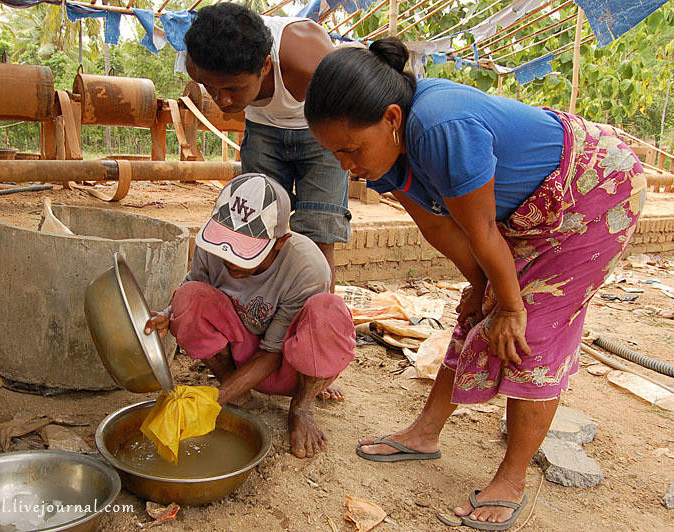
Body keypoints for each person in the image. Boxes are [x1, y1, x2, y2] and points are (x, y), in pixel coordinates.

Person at [303, 37, 645, 530]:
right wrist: (483, 291)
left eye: (350, 149)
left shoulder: (443, 127)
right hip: (527, 210)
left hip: (592, 191)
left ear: (392, 120)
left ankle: (513, 478)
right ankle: (425, 433)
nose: (345, 166)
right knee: (479, 312)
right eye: (334, 153)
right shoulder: (385, 154)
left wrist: (509, 304)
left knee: (535, 332)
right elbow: (441, 227)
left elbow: (481, 229)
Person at [144, 173, 356, 458]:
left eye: (245, 252)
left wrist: (213, 401)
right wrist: (169, 314)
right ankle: (235, 388)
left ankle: (303, 405)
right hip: (239, 354)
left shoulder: (307, 266)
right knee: (189, 296)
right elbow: (191, 289)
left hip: (287, 366)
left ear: (281, 242)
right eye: (226, 245)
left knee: (328, 311)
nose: (230, 260)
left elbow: (273, 352)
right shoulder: (212, 248)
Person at [183, 3, 351, 288]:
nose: (222, 101)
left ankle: (317, 323)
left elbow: (351, 107)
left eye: (234, 89)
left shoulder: (307, 59)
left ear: (265, 65)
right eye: (213, 88)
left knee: (318, 231)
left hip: (321, 130)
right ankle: (257, 321)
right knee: (253, 229)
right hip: (263, 130)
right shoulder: (198, 62)